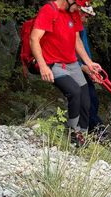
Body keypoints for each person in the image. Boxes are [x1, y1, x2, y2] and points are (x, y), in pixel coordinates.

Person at [30, 0, 102, 145]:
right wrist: (43, 66)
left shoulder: (73, 12)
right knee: (74, 92)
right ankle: (73, 132)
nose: (78, 10)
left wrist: (88, 62)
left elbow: (77, 40)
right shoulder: (49, 10)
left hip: (72, 64)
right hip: (53, 63)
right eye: (78, 6)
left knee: (85, 98)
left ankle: (82, 134)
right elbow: (34, 39)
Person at [76, 3, 103, 132]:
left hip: (83, 69)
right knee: (85, 101)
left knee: (93, 100)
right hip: (73, 69)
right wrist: (83, 67)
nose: (86, 20)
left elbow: (85, 51)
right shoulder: (71, 29)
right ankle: (92, 130)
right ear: (79, 12)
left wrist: (90, 67)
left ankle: (92, 130)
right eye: (85, 16)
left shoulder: (81, 29)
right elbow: (64, 54)